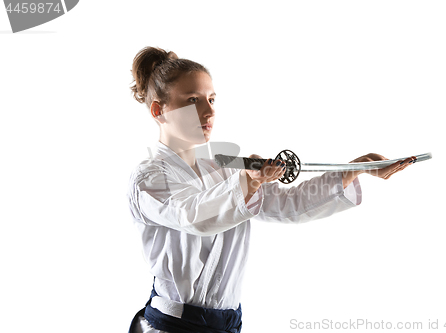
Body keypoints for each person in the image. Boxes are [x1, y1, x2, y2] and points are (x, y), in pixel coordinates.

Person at [126, 46, 416, 333]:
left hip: (228, 324)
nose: (208, 111)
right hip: (173, 327)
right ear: (158, 110)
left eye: (212, 99)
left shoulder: (223, 166)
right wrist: (249, 181)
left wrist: (355, 169)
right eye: (192, 100)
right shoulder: (148, 178)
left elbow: (294, 206)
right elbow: (193, 216)